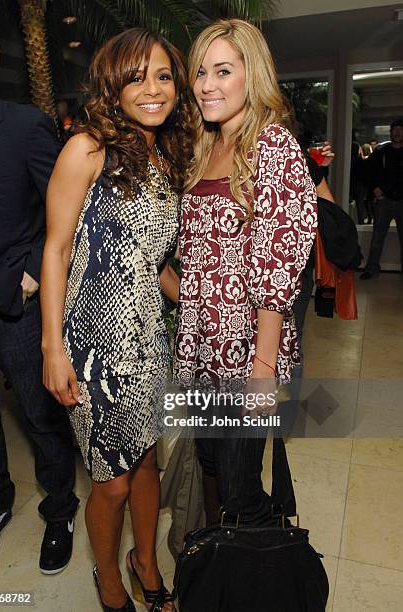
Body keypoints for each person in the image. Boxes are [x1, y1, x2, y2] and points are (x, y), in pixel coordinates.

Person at [40, 28, 192, 612]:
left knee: (148, 459)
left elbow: (148, 258)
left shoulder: (165, 152)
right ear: (112, 83)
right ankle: (109, 581)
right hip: (94, 343)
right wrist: (52, 349)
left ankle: (145, 561)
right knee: (113, 481)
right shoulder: (87, 148)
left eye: (162, 76)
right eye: (137, 76)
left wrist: (199, 300)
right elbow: (55, 250)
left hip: (151, 338)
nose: (152, 90)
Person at [174, 19, 317, 525]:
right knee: (213, 467)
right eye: (200, 72)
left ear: (250, 75)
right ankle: (220, 568)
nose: (207, 84)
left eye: (223, 71)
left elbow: (279, 266)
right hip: (201, 346)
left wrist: (262, 371)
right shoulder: (201, 147)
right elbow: (193, 257)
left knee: (240, 489)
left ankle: (260, 574)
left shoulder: (273, 147)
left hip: (247, 350)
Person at [0, 18, 79, 573]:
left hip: (11, 306)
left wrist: (31, 273)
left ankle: (60, 509)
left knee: (39, 415)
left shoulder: (22, 124)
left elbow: (65, 209)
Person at [360, 119, 403, 279]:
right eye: (395, 130)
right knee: (377, 238)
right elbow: (368, 172)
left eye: (401, 130)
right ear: (391, 133)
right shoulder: (381, 152)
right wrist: (375, 188)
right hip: (383, 201)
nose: (398, 133)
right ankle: (371, 269)